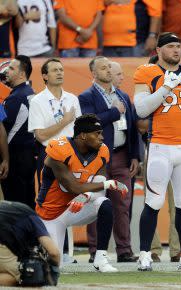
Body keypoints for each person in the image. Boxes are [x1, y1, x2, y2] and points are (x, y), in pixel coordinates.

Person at [133, 32, 181, 270]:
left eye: (179, 46)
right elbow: (141, 109)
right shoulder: (146, 72)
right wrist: (165, 88)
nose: (177, 50)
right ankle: (145, 254)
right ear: (158, 50)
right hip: (160, 146)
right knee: (154, 201)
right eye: (171, 46)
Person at [36, 114, 128, 272]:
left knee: (104, 204)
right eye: (97, 133)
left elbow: (98, 188)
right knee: (53, 268)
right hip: (51, 213)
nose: (101, 137)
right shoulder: (59, 149)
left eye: (101, 133)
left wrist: (86, 195)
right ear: (83, 135)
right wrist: (107, 183)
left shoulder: (102, 151)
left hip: (77, 207)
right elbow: (72, 187)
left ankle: (100, 258)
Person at [79, 57, 139, 263]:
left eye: (108, 67)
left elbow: (131, 127)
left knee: (123, 204)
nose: (106, 71)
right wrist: (114, 112)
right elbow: (89, 125)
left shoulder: (122, 95)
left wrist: (135, 156)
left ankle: (124, 250)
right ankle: (96, 251)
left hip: (122, 156)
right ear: (93, 73)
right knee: (96, 204)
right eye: (102, 68)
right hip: (97, 159)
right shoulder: (86, 96)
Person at [28, 58, 82, 186]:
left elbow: (80, 130)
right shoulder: (37, 101)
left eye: (61, 70)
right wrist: (64, 122)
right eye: (55, 70)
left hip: (72, 154)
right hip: (49, 154)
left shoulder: (72, 99)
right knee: (48, 199)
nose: (59, 73)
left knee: (72, 197)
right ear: (45, 76)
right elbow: (40, 135)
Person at [0, 201, 60, 286]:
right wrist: (54, 269)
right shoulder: (34, 219)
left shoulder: (18, 210)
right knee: (26, 275)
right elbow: (54, 253)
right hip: (2, 240)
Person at [2, 55, 36, 208]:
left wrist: (4, 159)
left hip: (14, 158)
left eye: (11, 68)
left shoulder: (16, 98)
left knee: (14, 206)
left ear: (22, 74)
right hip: (28, 156)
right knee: (27, 202)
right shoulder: (31, 93)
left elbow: (3, 130)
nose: (6, 71)